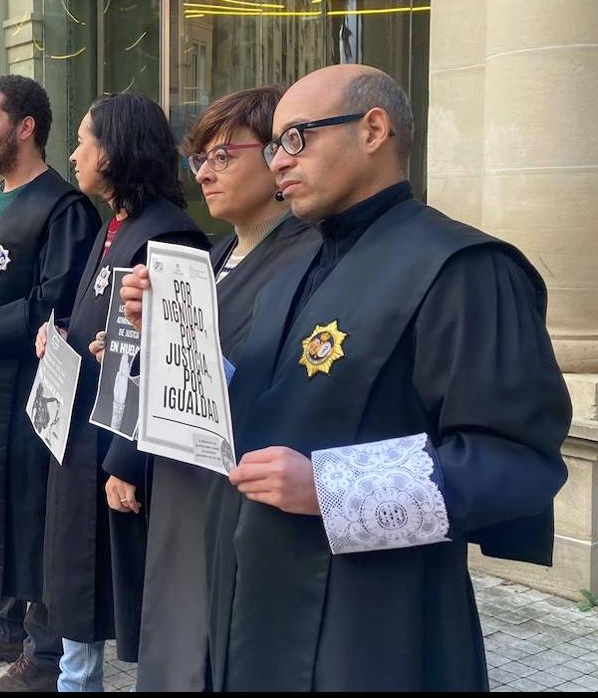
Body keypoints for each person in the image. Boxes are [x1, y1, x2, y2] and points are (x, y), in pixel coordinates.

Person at [182, 65, 565, 690]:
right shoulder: (295, 267)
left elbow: (517, 463)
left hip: (375, 621)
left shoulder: (463, 269)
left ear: (374, 129)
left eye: (297, 138)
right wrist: (169, 338)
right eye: (275, 145)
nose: (279, 162)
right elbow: (258, 400)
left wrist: (331, 489)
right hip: (255, 596)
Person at [111, 86, 320, 690]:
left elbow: (272, 384)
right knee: (176, 633)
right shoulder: (214, 252)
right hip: (181, 478)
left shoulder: (309, 260)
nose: (205, 172)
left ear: (280, 159)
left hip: (239, 486)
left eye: (225, 155)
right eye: (198, 158)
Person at [36, 93, 210, 692]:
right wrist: (63, 334)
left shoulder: (170, 234)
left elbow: (171, 362)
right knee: (77, 582)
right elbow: (102, 323)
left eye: (84, 141)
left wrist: (128, 462)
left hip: (118, 449)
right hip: (83, 432)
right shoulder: (114, 224)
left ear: (115, 152)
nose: (74, 153)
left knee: (121, 591)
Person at [0, 75, 100, 691]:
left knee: (35, 509)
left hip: (35, 391)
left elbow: (62, 306)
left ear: (25, 127)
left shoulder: (65, 208)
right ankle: (3, 617)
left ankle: (46, 645)